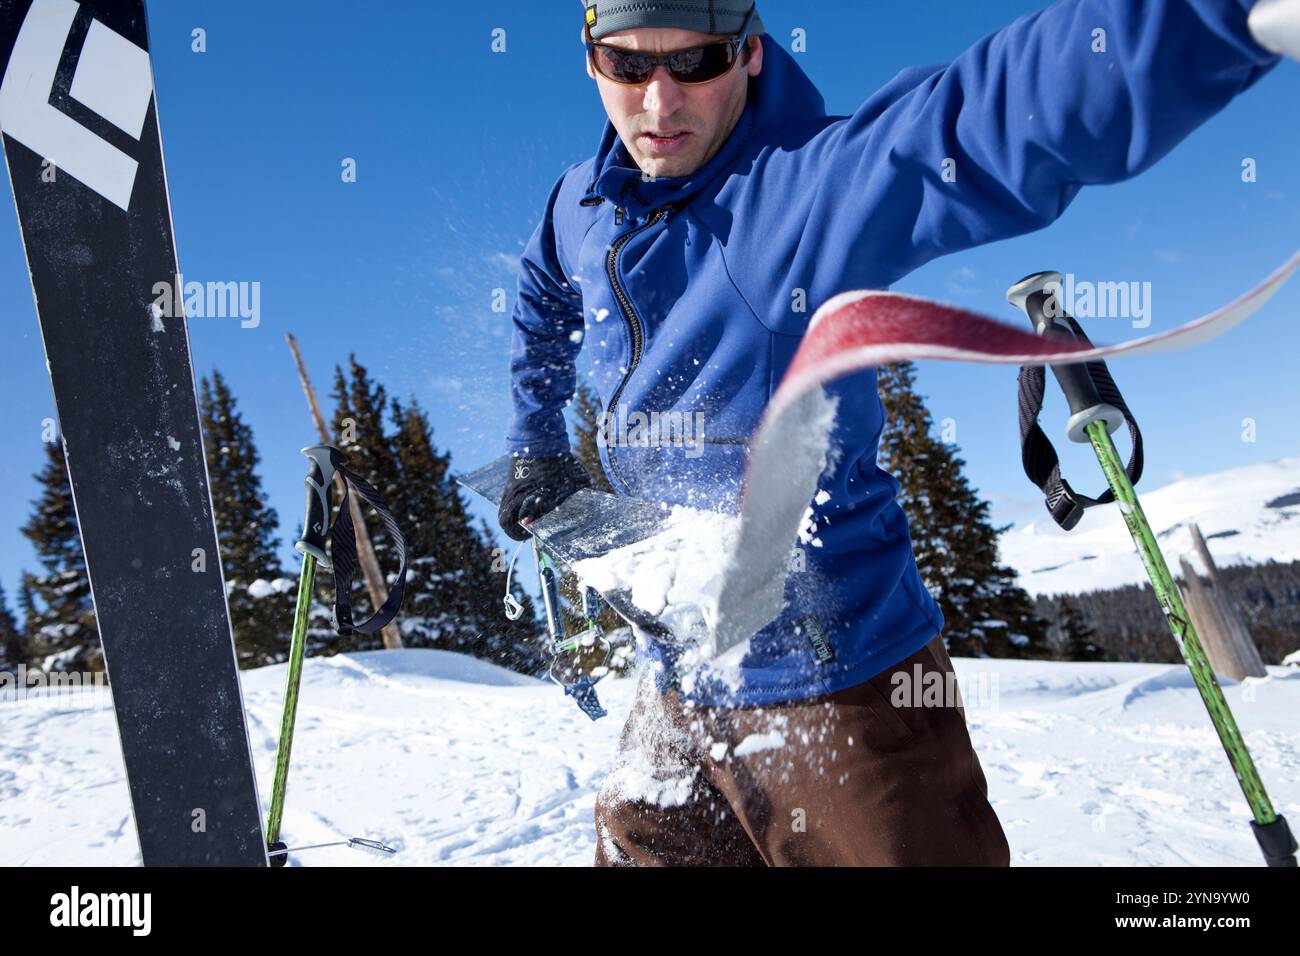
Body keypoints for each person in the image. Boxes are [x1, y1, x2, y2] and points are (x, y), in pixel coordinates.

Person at [496, 0, 1295, 866]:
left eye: (695, 63)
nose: (660, 104)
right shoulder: (580, 202)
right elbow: (542, 297)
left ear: (751, 54)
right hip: (674, 674)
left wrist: (1219, 18)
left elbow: (970, 122)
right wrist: (535, 439)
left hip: (840, 686)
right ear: (590, 60)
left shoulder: (807, 188)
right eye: (628, 66)